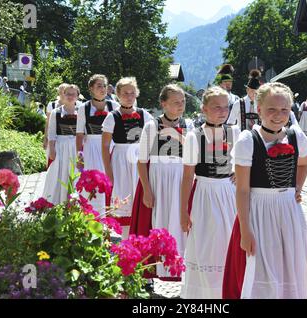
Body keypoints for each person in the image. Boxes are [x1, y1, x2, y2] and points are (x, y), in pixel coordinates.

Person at [222, 82, 307, 299]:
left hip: (289, 212)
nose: (278, 115)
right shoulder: (248, 141)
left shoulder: (296, 136)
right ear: (259, 109)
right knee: (262, 267)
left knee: (291, 264)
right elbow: (242, 190)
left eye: (284, 110)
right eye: (271, 109)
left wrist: (297, 187)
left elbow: (303, 164)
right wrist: (245, 230)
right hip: (259, 212)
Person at [180, 86, 239, 299]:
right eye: (216, 107)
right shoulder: (194, 137)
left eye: (226, 107)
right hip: (205, 193)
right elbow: (187, 176)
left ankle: (229, 290)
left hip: (230, 193)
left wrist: (240, 174)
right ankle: (207, 295)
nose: (222, 111)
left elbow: (244, 164)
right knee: (208, 243)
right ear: (204, 109)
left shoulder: (234, 132)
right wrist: (183, 211)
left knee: (229, 241)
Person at [131, 84, 194, 279]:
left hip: (181, 179)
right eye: (176, 102)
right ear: (163, 104)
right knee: (157, 221)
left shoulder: (189, 125)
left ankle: (181, 270)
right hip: (158, 180)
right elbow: (141, 162)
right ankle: (152, 270)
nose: (181, 105)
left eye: (183, 101)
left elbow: (194, 156)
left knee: (179, 220)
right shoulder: (152, 126)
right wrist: (147, 190)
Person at [101, 77, 153, 239]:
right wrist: (108, 171)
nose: (129, 96)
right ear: (117, 95)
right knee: (123, 193)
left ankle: (140, 235)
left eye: (132, 93)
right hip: (120, 160)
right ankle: (124, 238)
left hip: (140, 158)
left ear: (136, 94)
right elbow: (104, 146)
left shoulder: (145, 115)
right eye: (125, 93)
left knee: (140, 192)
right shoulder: (112, 116)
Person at [76, 74, 119, 213]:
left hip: (110, 147)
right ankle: (91, 214)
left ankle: (109, 215)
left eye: (104, 86)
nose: (102, 89)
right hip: (91, 149)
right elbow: (79, 135)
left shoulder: (114, 106)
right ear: (91, 89)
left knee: (111, 180)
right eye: (99, 86)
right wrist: (80, 158)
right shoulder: (84, 108)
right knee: (93, 182)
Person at [42, 84, 80, 205]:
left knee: (75, 174)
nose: (70, 96)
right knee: (60, 173)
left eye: (73, 94)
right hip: (61, 146)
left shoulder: (82, 111)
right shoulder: (56, 112)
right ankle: (58, 201)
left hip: (76, 146)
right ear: (63, 95)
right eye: (68, 94)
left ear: (77, 96)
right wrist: (51, 150)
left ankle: (74, 202)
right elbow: (52, 133)